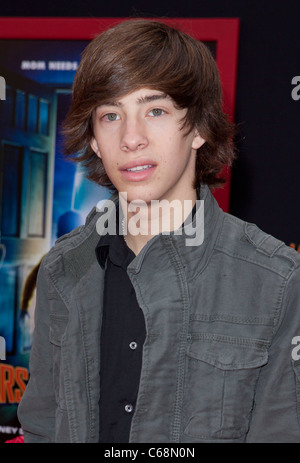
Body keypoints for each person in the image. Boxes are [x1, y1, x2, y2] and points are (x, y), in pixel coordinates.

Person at [18, 19, 300, 443]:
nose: (131, 138)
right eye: (111, 115)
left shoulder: (276, 280)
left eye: (155, 110)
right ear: (94, 139)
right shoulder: (63, 267)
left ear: (200, 128)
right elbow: (41, 428)